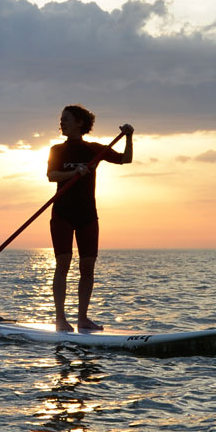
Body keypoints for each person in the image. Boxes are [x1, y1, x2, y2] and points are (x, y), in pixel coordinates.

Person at [45, 104, 132, 330]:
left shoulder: (94, 149)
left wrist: (129, 137)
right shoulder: (56, 150)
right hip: (62, 213)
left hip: (87, 215)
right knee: (63, 263)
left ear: (80, 123)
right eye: (60, 119)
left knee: (88, 265)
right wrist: (74, 172)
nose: (61, 123)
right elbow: (51, 176)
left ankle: (82, 318)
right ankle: (60, 319)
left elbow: (125, 159)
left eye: (66, 119)